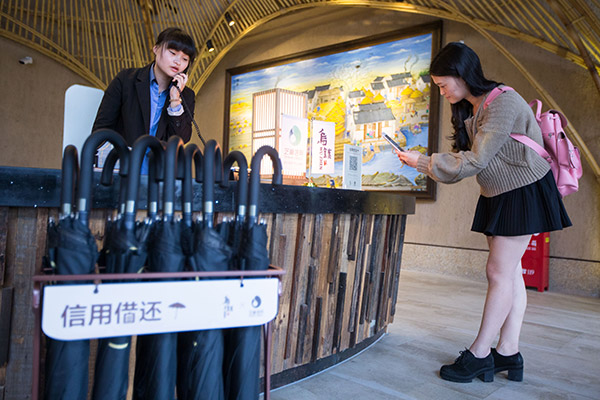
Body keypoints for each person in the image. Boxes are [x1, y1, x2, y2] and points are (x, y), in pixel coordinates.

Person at [395, 42, 571, 383]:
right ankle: (508, 353)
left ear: (462, 75)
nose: (442, 91)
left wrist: (422, 161)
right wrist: (426, 162)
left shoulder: (502, 101)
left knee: (498, 272)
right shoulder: (472, 108)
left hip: (523, 191)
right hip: (501, 193)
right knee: (510, 273)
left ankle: (479, 354)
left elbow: (475, 161)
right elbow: (473, 162)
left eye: (444, 84)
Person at [93, 27, 197, 171]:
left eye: (185, 59)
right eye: (172, 53)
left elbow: (181, 139)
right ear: (156, 48)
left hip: (159, 175)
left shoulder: (186, 95)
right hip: (122, 169)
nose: (178, 61)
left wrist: (175, 100)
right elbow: (102, 127)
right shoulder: (126, 80)